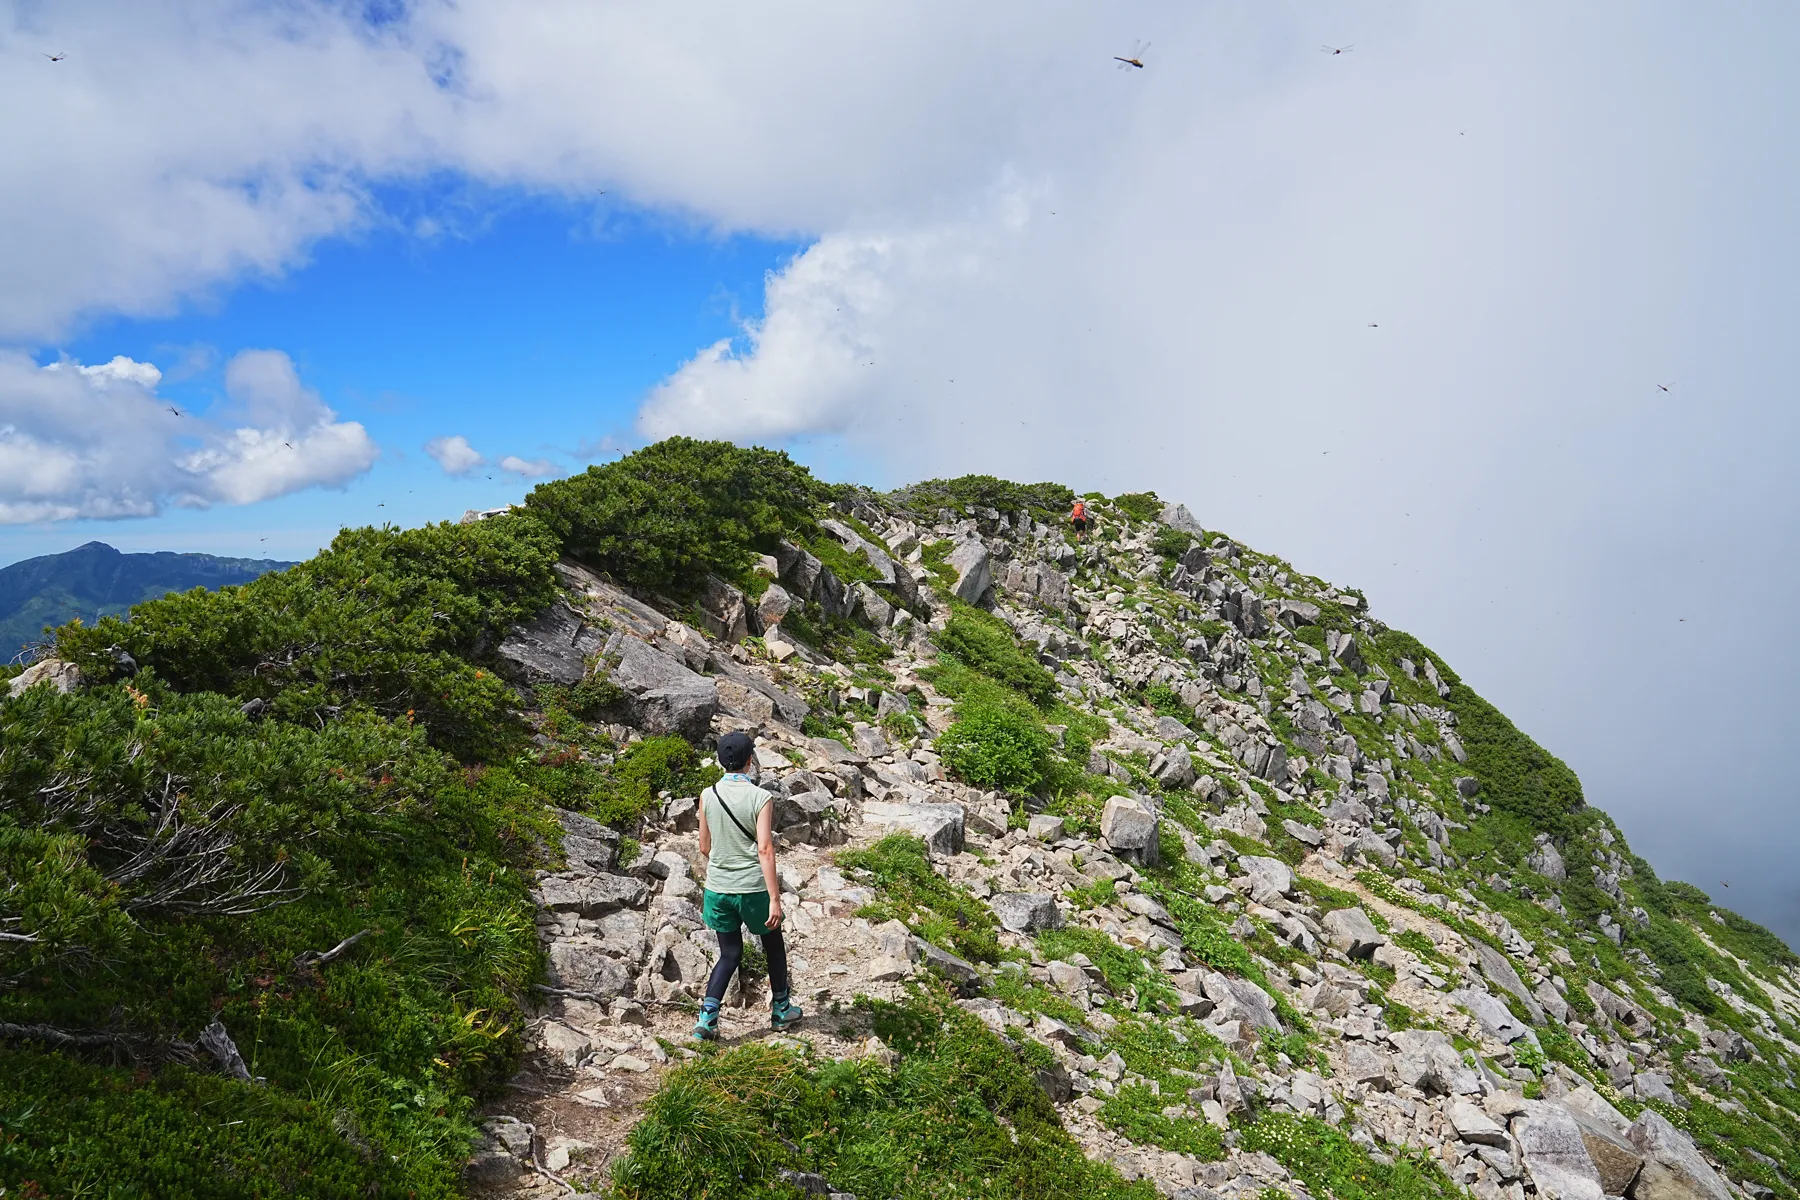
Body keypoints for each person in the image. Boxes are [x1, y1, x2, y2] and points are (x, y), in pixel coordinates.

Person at [691, 731, 803, 1041]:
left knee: (729, 954)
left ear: (720, 760)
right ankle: (781, 1010)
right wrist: (774, 898)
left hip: (718, 887)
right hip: (752, 889)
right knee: (773, 944)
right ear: (749, 761)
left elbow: (704, 847)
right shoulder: (760, 797)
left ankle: (707, 1021)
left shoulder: (708, 794)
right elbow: (765, 849)